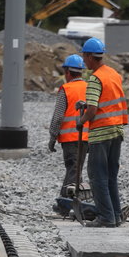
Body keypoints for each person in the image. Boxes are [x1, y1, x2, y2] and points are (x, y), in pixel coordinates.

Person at [79, 37, 128, 227]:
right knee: (110, 176)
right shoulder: (113, 73)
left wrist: (80, 121)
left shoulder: (95, 78)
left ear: (91, 57)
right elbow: (108, 100)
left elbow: (92, 110)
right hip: (117, 130)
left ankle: (106, 218)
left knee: (97, 176)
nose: (83, 60)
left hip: (101, 132)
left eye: (84, 56)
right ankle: (115, 215)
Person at [47, 53, 89, 195]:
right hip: (85, 137)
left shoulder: (66, 89)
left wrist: (52, 137)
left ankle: (67, 203)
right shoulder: (89, 88)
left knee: (73, 170)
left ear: (68, 72)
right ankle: (68, 202)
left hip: (71, 138)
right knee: (76, 171)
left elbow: (58, 117)